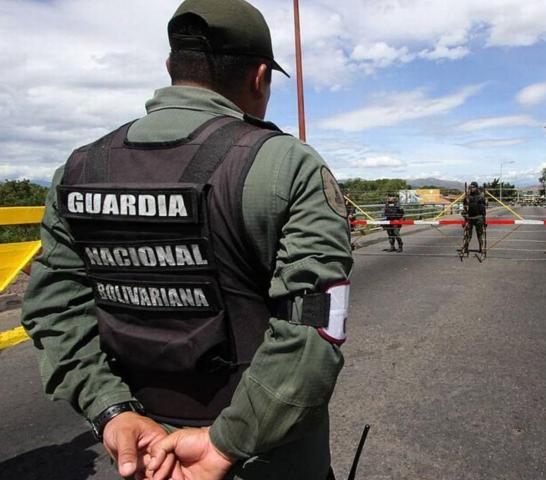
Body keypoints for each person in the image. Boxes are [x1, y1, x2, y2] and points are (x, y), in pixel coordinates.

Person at [20, 1, 353, 479]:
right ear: (260, 78)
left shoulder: (79, 170)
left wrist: (111, 410)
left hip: (146, 458)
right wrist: (225, 443)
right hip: (268, 460)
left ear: (170, 67)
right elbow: (316, 325)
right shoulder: (286, 165)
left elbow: (55, 310)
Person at [461, 182, 487, 255]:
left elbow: (484, 208)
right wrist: (464, 215)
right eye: (470, 187)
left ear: (476, 188)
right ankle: (466, 248)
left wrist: (484, 220)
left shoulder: (481, 197)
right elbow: (465, 208)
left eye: (473, 187)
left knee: (480, 234)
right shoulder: (467, 197)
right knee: (468, 235)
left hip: (479, 218)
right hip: (469, 218)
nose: (471, 189)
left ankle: (481, 248)